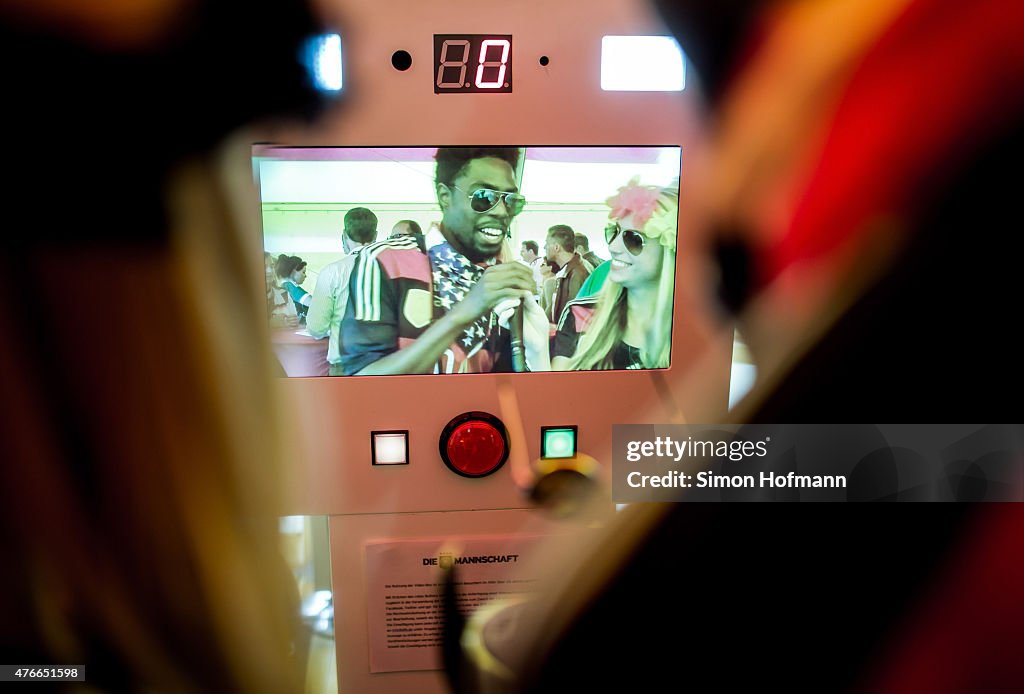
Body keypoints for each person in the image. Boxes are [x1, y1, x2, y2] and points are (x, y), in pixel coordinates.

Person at [339, 147, 536, 375]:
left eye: (511, 200)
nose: (502, 213)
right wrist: (463, 313)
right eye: (484, 197)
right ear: (445, 197)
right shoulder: (385, 260)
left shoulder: (504, 278)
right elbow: (360, 380)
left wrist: (535, 349)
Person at [550, 179, 676, 370]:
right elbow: (557, 394)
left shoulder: (694, 331)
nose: (613, 247)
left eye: (634, 239)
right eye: (614, 232)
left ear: (670, 252)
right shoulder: (581, 314)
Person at [307, 207, 378, 375]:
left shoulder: (331, 272)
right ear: (375, 236)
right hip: (385, 366)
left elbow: (316, 328)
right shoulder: (390, 269)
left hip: (344, 366)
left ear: (344, 236)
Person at [544, 224, 591, 326]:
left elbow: (574, 317)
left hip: (568, 339)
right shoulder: (568, 270)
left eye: (547, 244)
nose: (545, 247)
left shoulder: (577, 273)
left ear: (556, 247)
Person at [266, 251, 300, 329]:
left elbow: (294, 319)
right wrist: (271, 323)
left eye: (271, 266)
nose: (269, 271)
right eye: (264, 266)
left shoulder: (283, 293)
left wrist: (294, 321)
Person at [275, 254, 312, 323]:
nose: (305, 275)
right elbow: (313, 303)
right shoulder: (289, 286)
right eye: (303, 272)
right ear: (293, 271)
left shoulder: (284, 286)